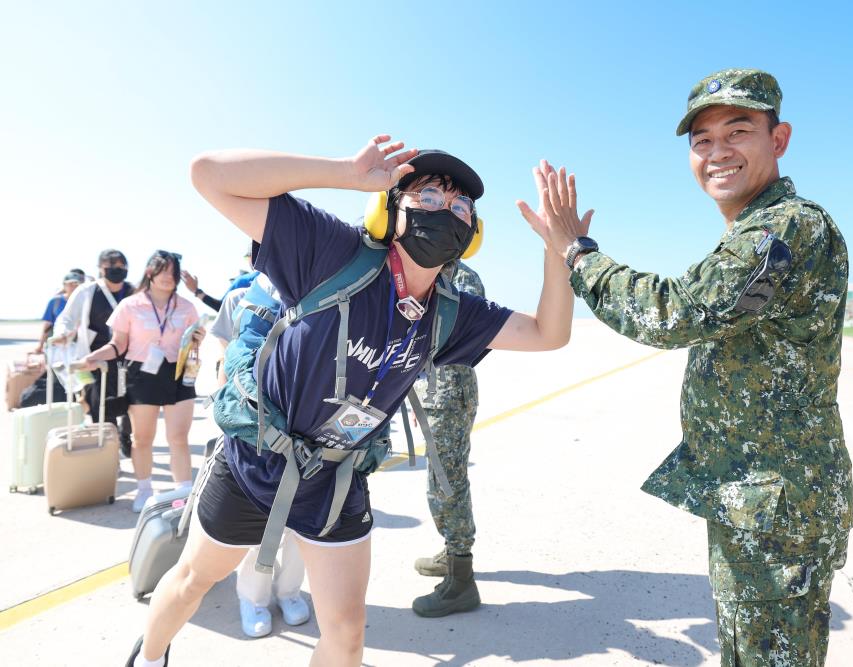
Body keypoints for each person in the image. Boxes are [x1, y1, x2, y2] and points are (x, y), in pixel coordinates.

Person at [123, 137, 590, 667]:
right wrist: (346, 172)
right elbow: (208, 173)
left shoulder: (452, 313)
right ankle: (150, 655)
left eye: (461, 206)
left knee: (347, 634)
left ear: (472, 234)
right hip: (255, 460)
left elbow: (550, 333)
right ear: (390, 212)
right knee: (190, 582)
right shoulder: (331, 251)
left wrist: (559, 249)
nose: (448, 210)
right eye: (429, 196)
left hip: (335, 478)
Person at [525, 69, 853, 666]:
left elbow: (675, 312)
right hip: (755, 500)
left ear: (778, 140)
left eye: (738, 130)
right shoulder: (754, 229)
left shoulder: (786, 227)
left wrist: (576, 253)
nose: (717, 151)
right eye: (701, 140)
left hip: (778, 510)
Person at [210, 281, 312, 637]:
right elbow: (229, 356)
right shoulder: (242, 295)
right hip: (259, 426)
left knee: (303, 524)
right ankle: (252, 596)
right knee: (261, 522)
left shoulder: (325, 286)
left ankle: (289, 590)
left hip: (310, 428)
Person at [80, 251, 203, 512]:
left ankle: (184, 492)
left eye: (174, 272)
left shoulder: (187, 307)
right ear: (150, 272)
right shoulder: (130, 305)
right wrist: (93, 357)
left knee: (178, 437)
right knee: (142, 438)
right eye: (164, 271)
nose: (169, 277)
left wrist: (197, 342)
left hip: (179, 374)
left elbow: (192, 345)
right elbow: (118, 345)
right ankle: (145, 490)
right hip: (142, 375)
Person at [410, 259, 485, 618]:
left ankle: (461, 579)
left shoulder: (462, 277)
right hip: (436, 391)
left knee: (446, 482)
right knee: (440, 478)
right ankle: (451, 550)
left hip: (449, 391)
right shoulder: (434, 272)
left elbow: (467, 336)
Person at [53, 249, 135, 453]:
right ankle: (110, 448)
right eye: (111, 267)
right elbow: (66, 318)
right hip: (95, 358)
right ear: (101, 269)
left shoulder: (134, 291)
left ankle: (125, 434)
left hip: (130, 356)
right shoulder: (87, 291)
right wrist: (63, 333)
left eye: (121, 267)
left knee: (131, 402)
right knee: (100, 404)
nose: (117, 270)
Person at [33, 272, 82, 354]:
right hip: (56, 344)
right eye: (70, 284)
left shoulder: (84, 302)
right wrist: (40, 345)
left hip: (77, 345)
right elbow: (47, 325)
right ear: (64, 285)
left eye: (76, 284)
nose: (74, 287)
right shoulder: (55, 301)